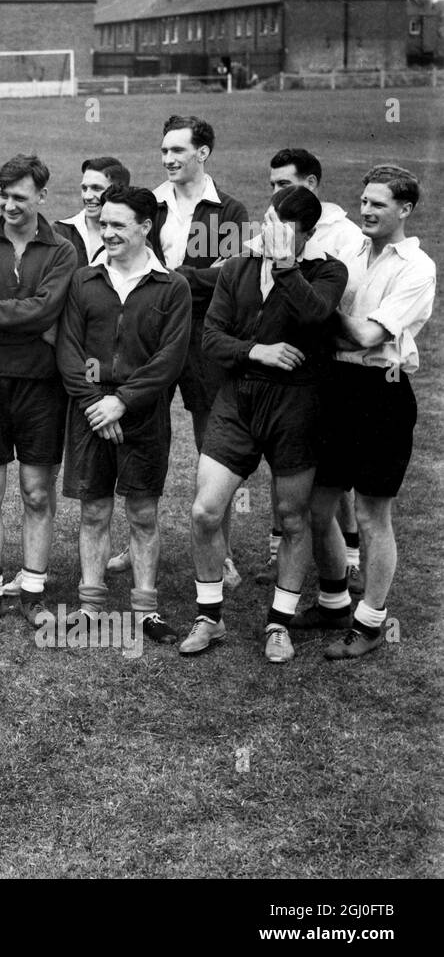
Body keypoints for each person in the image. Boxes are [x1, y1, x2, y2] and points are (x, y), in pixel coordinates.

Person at [180, 186, 347, 662]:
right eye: (267, 219)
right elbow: (211, 337)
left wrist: (286, 267)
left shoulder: (328, 271)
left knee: (293, 516)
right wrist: (257, 351)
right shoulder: (236, 267)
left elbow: (316, 315)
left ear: (306, 234)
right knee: (204, 512)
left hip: (297, 404)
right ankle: (209, 617)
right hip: (239, 399)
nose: (267, 232)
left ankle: (279, 624)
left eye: (281, 228)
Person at [297, 165, 435, 660]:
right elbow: (328, 329)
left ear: (405, 209)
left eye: (379, 204)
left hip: (383, 392)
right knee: (318, 504)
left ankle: (372, 620)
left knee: (374, 516)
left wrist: (317, 310)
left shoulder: (417, 268)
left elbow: (366, 336)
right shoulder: (348, 250)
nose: (367, 211)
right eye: (364, 201)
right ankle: (334, 601)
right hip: (336, 386)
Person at [57, 186, 192, 644]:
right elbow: (68, 350)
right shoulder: (84, 280)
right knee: (94, 510)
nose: (108, 232)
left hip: (143, 415)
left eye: (118, 225)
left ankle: (145, 611)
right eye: (104, 224)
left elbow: (169, 360)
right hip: (90, 411)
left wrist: (123, 401)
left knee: (142, 512)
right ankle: (90, 608)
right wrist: (98, 403)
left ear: (146, 227)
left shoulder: (173, 287)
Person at [0, 154, 78, 632]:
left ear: (42, 197)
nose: (9, 204)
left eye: (20, 197)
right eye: (3, 195)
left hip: (41, 389)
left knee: (35, 493)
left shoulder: (63, 250)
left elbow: (46, 312)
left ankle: (31, 592)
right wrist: (21, 320)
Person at [255, 148, 367, 592]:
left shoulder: (344, 235)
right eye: (273, 186)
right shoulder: (278, 222)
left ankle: (350, 558)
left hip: (335, 363)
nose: (277, 193)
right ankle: (276, 550)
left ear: (312, 184)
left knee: (332, 477)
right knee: (289, 469)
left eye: (285, 184)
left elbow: (334, 305)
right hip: (288, 366)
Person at [147, 114, 250, 588]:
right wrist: (191, 276)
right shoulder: (149, 204)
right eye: (164, 150)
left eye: (177, 151)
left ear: (202, 153)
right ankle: (137, 544)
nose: (168, 159)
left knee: (214, 445)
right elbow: (134, 265)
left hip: (206, 337)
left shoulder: (227, 209)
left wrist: (180, 277)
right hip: (153, 334)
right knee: (144, 437)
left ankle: (221, 553)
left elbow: (228, 277)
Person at [53, 157, 131, 269]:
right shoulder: (60, 232)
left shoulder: (133, 237)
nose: (87, 196)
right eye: (84, 188)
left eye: (96, 188)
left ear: (119, 192)